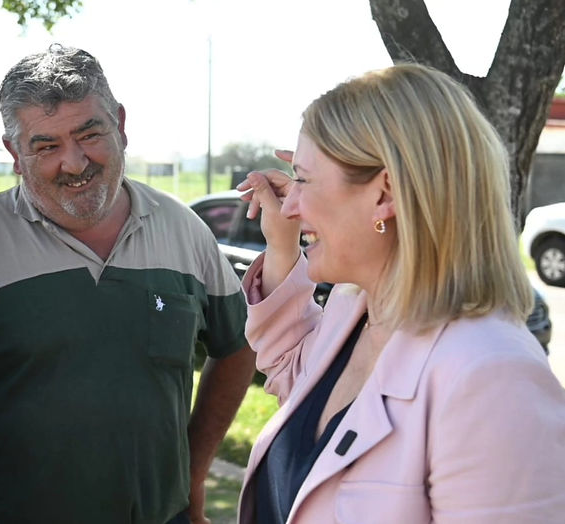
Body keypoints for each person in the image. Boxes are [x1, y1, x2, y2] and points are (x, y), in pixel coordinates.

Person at [0, 44, 256, 524]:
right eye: (46, 146)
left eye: (90, 134)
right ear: (13, 152)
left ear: (121, 124)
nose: (74, 162)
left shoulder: (183, 230)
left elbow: (237, 347)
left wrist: (191, 477)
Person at [235, 63, 565, 523]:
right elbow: (291, 370)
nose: (289, 203)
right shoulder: (357, 309)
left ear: (385, 193)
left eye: (305, 179)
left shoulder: (493, 379)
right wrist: (283, 245)